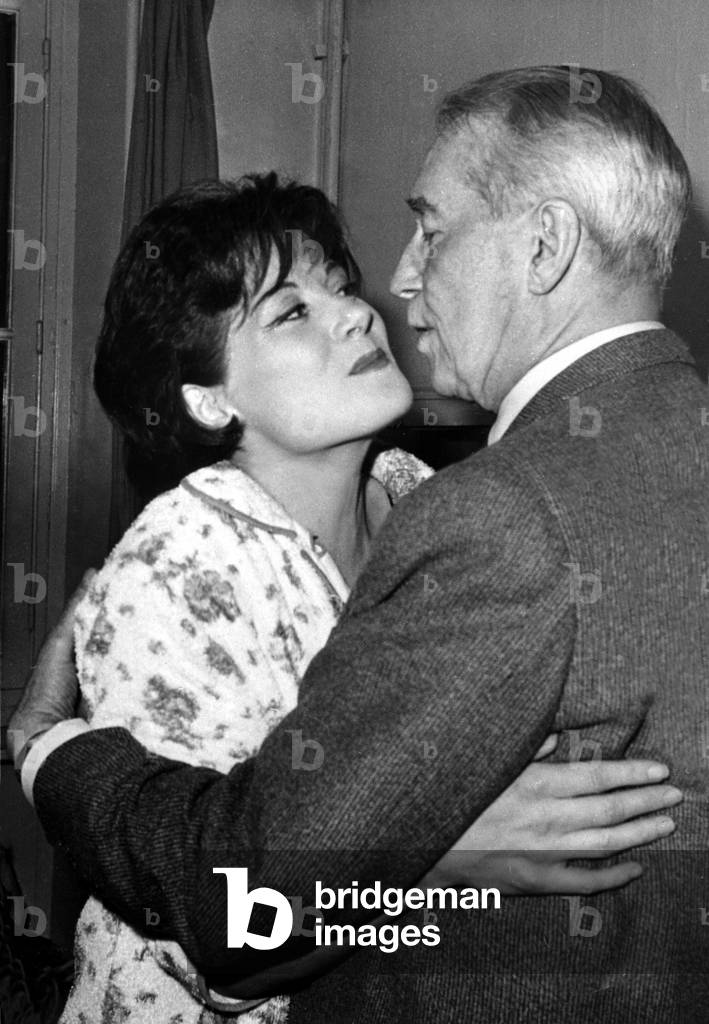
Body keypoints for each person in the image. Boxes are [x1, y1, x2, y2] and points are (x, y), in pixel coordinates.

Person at [11, 65, 708, 1021]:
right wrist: (441, 861)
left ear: (545, 246)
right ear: (208, 398)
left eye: (340, 284)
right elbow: (231, 925)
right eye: (292, 311)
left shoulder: (442, 499)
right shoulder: (177, 566)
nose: (374, 298)